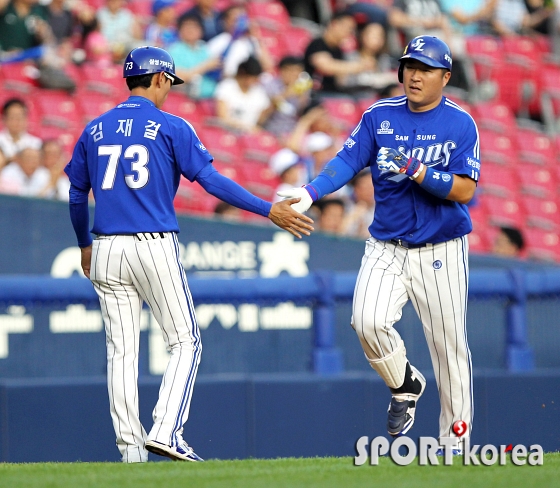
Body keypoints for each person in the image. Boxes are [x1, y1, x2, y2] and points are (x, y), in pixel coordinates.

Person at [64, 46, 313, 464]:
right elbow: (211, 181)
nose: (170, 90)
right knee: (186, 340)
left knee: (121, 352)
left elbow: (76, 194)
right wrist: (268, 208)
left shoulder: (94, 128)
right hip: (152, 243)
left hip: (105, 245)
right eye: (169, 82)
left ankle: (130, 453)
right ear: (159, 79)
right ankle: (166, 430)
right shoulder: (170, 125)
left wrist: (83, 245)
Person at [278, 36, 480, 455]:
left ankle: (455, 448)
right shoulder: (380, 117)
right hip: (386, 244)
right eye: (409, 65)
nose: (415, 75)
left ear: (445, 77)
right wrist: (312, 193)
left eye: (425, 68)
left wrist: (418, 171)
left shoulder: (460, 123)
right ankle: (404, 382)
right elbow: (348, 161)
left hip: (440, 248)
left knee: (449, 351)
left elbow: (464, 191)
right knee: (366, 321)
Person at [303, 9, 375, 96]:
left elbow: (341, 80)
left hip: (336, 93)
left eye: (351, 29)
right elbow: (326, 67)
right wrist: (358, 66)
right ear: (334, 24)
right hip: (316, 95)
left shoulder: (339, 50)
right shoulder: (317, 44)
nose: (349, 33)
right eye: (348, 28)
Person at [167, 14, 221, 99]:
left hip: (211, 98)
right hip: (186, 98)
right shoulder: (174, 50)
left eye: (195, 27)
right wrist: (206, 66)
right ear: (180, 31)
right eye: (187, 27)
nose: (191, 30)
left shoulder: (204, 47)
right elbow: (178, 78)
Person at [214, 56, 272, 133]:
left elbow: (260, 120)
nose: (253, 81)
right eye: (251, 77)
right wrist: (245, 127)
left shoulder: (259, 92)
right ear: (243, 74)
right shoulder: (226, 86)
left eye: (255, 78)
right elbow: (222, 117)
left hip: (249, 135)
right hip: (227, 130)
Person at [0, 98, 42, 165]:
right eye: (13, 117)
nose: (17, 121)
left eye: (20, 117)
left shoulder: (36, 143)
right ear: (4, 119)